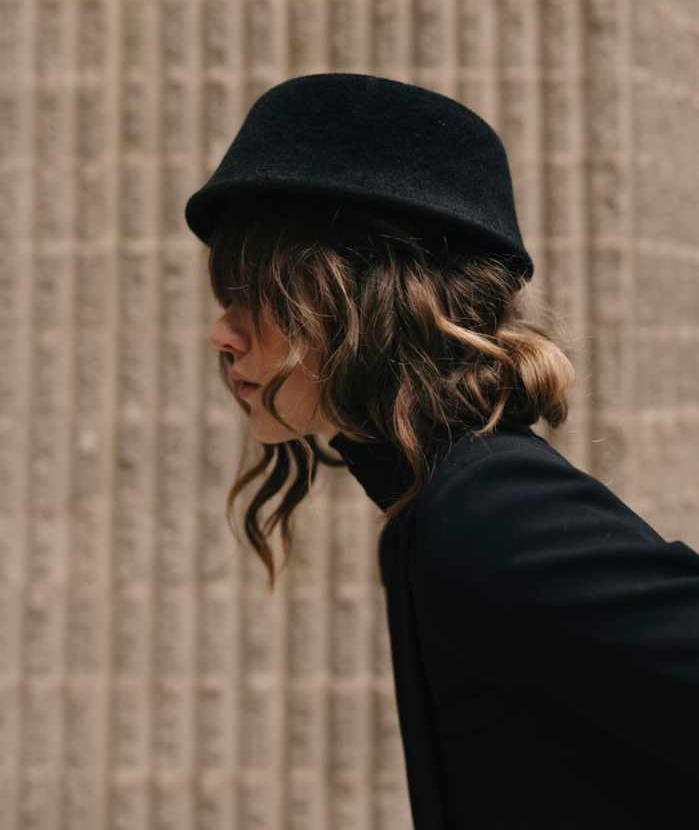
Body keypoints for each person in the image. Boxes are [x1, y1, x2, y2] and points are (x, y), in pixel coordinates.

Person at [185, 73, 699, 828]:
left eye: (256, 295)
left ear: (363, 302)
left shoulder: (487, 510)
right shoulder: (432, 512)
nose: (219, 332)